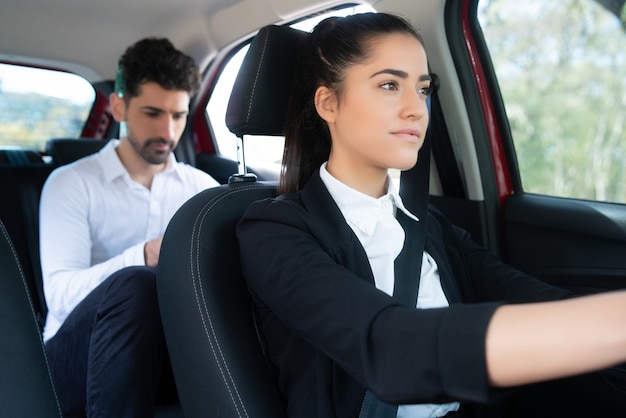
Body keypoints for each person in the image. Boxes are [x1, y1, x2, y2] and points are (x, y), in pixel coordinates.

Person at [236, 12, 626, 418]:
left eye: (423, 90)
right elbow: (389, 348)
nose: (417, 110)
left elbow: (522, 293)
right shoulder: (275, 231)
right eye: (389, 85)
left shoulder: (429, 225)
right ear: (328, 103)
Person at [40, 37, 219, 417]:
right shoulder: (70, 183)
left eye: (178, 116)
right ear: (119, 106)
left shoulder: (202, 189)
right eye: (152, 113)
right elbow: (60, 298)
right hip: (73, 358)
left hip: (168, 352)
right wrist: (143, 256)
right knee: (136, 282)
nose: (168, 133)